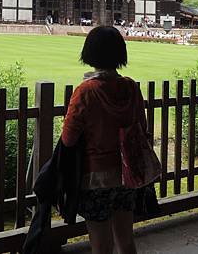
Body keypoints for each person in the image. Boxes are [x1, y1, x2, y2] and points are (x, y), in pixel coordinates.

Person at [62, 26, 145, 254]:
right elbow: (142, 128)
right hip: (127, 174)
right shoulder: (131, 87)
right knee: (126, 240)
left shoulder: (86, 91)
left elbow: (68, 139)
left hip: (95, 177)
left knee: (101, 246)